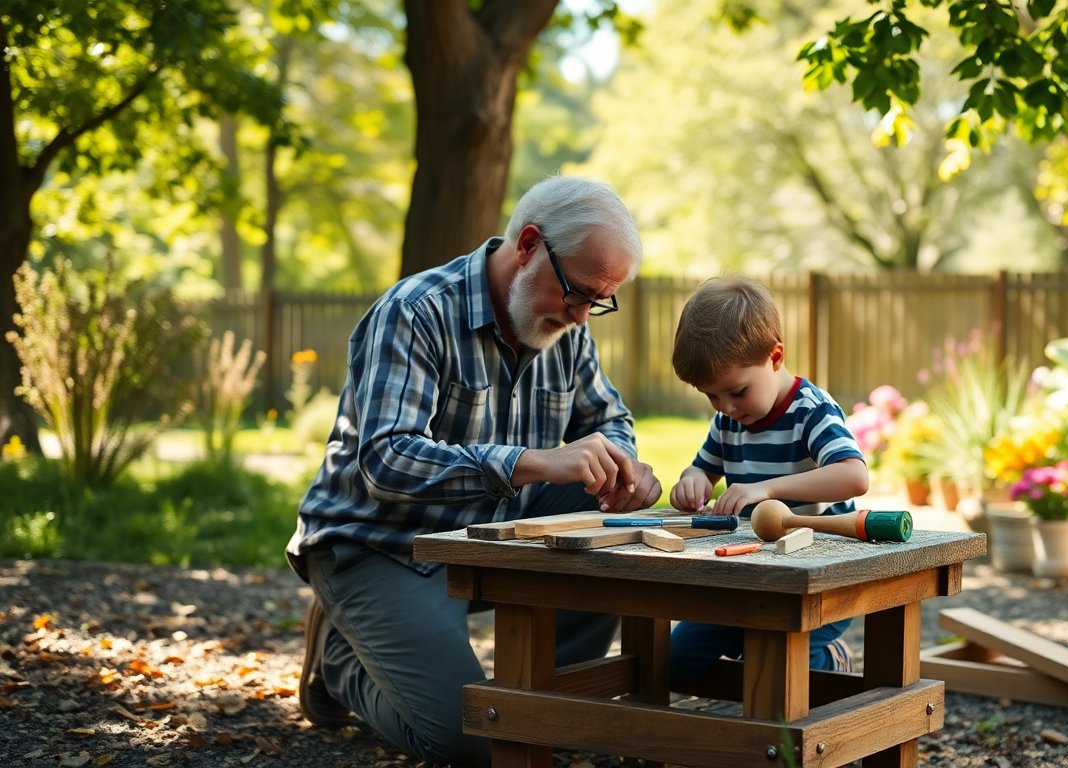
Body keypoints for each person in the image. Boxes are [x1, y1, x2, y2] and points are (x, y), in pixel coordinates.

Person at [286, 176, 662, 767]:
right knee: (475, 743)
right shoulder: (416, 312)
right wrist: (532, 462)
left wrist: (622, 465)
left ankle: (553, 698)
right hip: (383, 544)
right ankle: (340, 665)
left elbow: (609, 418)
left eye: (600, 300)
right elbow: (386, 460)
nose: (582, 316)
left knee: (608, 512)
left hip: (489, 534)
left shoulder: (566, 326)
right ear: (529, 244)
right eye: (577, 292)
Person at [666, 276, 869, 686]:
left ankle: (831, 659)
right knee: (674, 660)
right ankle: (752, 685)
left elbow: (854, 476)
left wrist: (767, 488)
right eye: (712, 396)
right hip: (749, 583)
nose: (725, 407)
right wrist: (692, 480)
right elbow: (702, 469)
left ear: (775, 357)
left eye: (737, 391)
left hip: (818, 583)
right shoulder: (729, 421)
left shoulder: (811, 411)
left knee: (778, 661)